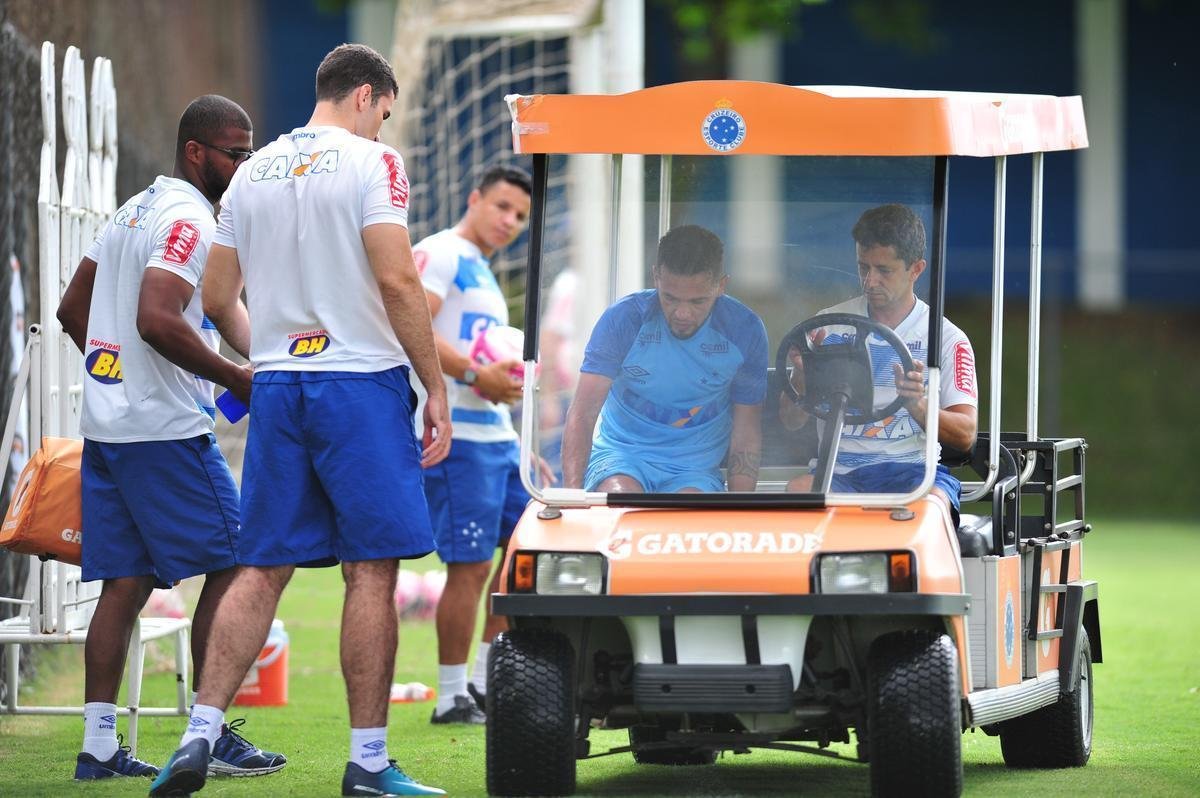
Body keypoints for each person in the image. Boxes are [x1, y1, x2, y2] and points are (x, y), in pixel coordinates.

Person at [150, 44, 450, 798]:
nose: (383, 126)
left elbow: (217, 297)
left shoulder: (252, 172)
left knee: (261, 568)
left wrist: (274, 358)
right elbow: (397, 278)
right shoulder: (375, 163)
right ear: (366, 95)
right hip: (360, 385)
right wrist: (435, 387)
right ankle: (368, 763)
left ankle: (198, 734)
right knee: (372, 568)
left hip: (282, 388)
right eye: (384, 111)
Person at [56, 95, 284, 781]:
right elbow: (156, 318)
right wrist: (233, 377)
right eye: (234, 154)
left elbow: (73, 309)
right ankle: (205, 735)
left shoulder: (134, 208)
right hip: (164, 432)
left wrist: (116, 379)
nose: (243, 166)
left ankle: (98, 748)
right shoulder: (187, 216)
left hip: (111, 429)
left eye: (249, 153)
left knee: (124, 585)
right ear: (195, 152)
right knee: (240, 561)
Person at [413, 165, 533, 724]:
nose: (510, 221)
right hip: (458, 437)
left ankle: (485, 683)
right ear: (474, 198)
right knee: (470, 567)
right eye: (503, 207)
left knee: (525, 555)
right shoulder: (442, 253)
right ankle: (450, 696)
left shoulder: (482, 270)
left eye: (521, 216)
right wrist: (472, 374)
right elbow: (409, 322)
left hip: (497, 437)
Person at [780, 203, 978, 523]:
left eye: (884, 271)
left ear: (916, 269)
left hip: (914, 474)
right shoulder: (826, 325)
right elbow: (790, 421)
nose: (870, 281)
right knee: (798, 493)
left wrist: (918, 406)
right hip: (836, 473)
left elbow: (966, 435)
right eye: (863, 267)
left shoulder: (947, 339)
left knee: (929, 513)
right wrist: (803, 377)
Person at [562, 225, 768, 493]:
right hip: (622, 456)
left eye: (697, 302)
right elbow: (583, 412)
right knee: (619, 496)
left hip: (694, 469)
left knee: (688, 512)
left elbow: (746, 431)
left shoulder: (744, 330)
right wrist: (573, 498)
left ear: (721, 286)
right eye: (670, 298)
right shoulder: (623, 320)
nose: (682, 313)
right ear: (656, 277)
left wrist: (741, 509)